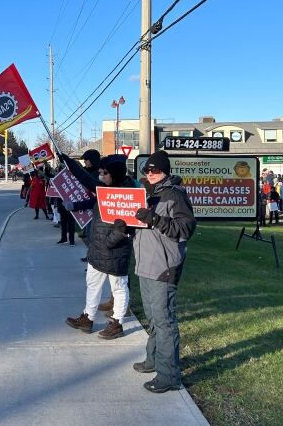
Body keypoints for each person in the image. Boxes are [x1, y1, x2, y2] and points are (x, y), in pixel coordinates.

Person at [130, 150, 196, 394]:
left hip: (164, 267)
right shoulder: (147, 193)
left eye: (155, 170)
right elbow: (141, 227)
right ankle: (153, 359)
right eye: (147, 170)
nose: (150, 174)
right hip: (145, 265)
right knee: (153, 318)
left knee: (164, 320)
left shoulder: (175, 195)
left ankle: (169, 376)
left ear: (165, 171)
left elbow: (185, 228)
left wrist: (155, 219)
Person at [61, 154, 133, 340]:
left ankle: (116, 323)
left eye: (105, 173)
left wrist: (111, 240)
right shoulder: (103, 190)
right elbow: (85, 178)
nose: (100, 176)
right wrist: (69, 162)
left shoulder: (129, 194)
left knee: (119, 287)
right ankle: (88, 318)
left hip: (115, 250)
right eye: (100, 172)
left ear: (115, 175)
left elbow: (128, 226)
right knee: (92, 285)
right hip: (97, 249)